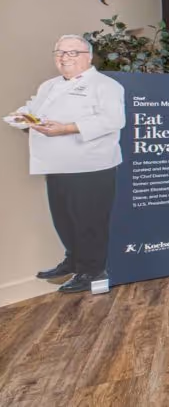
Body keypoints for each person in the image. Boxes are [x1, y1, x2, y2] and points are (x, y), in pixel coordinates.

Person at [4, 35, 125, 293]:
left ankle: (92, 271)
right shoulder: (49, 85)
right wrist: (22, 118)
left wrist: (67, 129)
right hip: (55, 163)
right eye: (60, 52)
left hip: (90, 166)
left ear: (88, 57)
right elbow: (33, 109)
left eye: (72, 53)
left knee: (89, 222)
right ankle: (74, 261)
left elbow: (113, 121)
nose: (64, 58)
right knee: (65, 219)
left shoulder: (106, 85)